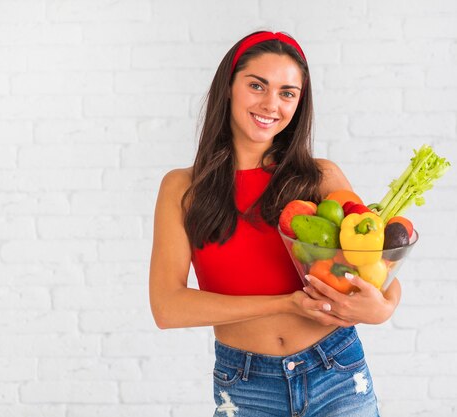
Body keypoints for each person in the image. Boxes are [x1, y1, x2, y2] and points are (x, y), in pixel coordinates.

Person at [149, 31, 400, 417]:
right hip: (246, 386)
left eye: (287, 93)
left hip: (336, 372)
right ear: (229, 88)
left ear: (299, 103)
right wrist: (286, 303)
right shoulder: (183, 189)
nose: (271, 104)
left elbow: (376, 270)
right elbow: (168, 308)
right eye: (257, 86)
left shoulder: (320, 178)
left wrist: (383, 308)